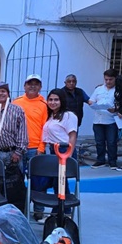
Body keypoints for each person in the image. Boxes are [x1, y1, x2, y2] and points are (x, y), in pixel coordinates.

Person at [36, 88, 78, 221]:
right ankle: (58, 212)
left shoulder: (69, 115)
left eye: (56, 100)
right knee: (56, 183)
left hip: (64, 150)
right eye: (50, 99)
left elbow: (72, 135)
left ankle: (64, 213)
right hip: (53, 150)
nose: (53, 102)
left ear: (62, 101)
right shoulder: (51, 116)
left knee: (61, 183)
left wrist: (69, 154)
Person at [0, 81, 28, 212]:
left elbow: (23, 133)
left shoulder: (17, 110)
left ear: (8, 94)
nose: (0, 94)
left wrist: (18, 152)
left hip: (13, 154)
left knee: (14, 186)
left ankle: (15, 213)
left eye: (3, 91)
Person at [88, 69, 118, 169]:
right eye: (106, 79)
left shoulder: (118, 91)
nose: (108, 82)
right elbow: (91, 100)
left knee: (111, 142)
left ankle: (112, 161)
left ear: (115, 79)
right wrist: (92, 104)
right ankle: (100, 160)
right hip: (98, 120)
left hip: (111, 120)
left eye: (110, 79)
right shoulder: (99, 89)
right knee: (99, 142)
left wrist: (115, 109)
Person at [13, 74, 47, 162]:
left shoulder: (44, 105)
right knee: (17, 171)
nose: (33, 86)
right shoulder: (16, 102)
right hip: (17, 148)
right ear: (24, 86)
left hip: (35, 148)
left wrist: (41, 148)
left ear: (40, 87)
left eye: (36, 84)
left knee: (36, 171)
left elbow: (45, 128)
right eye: (30, 84)